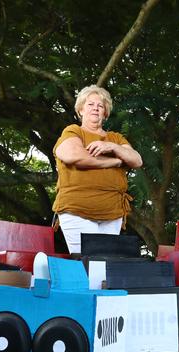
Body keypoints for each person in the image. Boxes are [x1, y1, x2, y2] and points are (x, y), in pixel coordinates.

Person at [52, 85, 142, 254]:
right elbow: (74, 156)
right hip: (77, 210)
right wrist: (114, 162)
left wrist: (111, 146)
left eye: (100, 106)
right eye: (90, 104)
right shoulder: (74, 131)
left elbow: (136, 159)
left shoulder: (115, 138)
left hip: (112, 212)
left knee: (105, 266)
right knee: (86, 263)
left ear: (105, 112)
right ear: (81, 110)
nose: (95, 108)